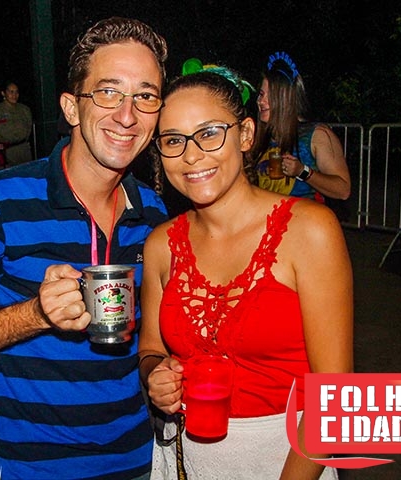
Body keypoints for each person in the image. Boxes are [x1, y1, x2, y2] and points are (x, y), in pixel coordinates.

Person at [0, 17, 169, 480]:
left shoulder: (154, 213)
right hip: (39, 468)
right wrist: (35, 314)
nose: (128, 115)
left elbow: (152, 339)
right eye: (109, 92)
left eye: (145, 96)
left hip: (138, 460)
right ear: (72, 108)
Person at [138, 64, 353, 479]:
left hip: (288, 458)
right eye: (173, 140)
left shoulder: (309, 231)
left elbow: (335, 396)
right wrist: (157, 373)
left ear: (246, 135)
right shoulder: (161, 245)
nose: (191, 155)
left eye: (209, 133)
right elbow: (150, 347)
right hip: (185, 459)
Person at [252, 51, 351, 203]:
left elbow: (343, 190)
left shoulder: (316, 135)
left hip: (305, 216)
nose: (261, 101)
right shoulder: (260, 138)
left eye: (269, 95)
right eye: (261, 94)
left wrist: (302, 171)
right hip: (268, 216)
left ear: (285, 98)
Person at [0, 81, 33, 172]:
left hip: (23, 150)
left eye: (16, 92)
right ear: (3, 93)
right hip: (4, 153)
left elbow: (28, 128)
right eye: (11, 92)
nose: (14, 95)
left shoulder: (24, 110)